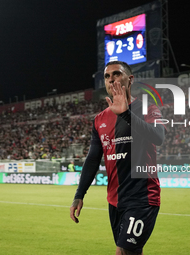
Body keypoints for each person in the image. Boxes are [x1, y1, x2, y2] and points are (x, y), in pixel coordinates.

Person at [70, 61, 165, 255]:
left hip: (142, 198)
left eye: (116, 74)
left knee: (126, 251)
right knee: (127, 252)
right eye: (107, 76)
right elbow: (93, 159)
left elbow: (159, 136)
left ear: (130, 80)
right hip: (114, 201)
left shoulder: (148, 108)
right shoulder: (100, 119)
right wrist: (79, 195)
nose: (111, 79)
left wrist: (126, 114)